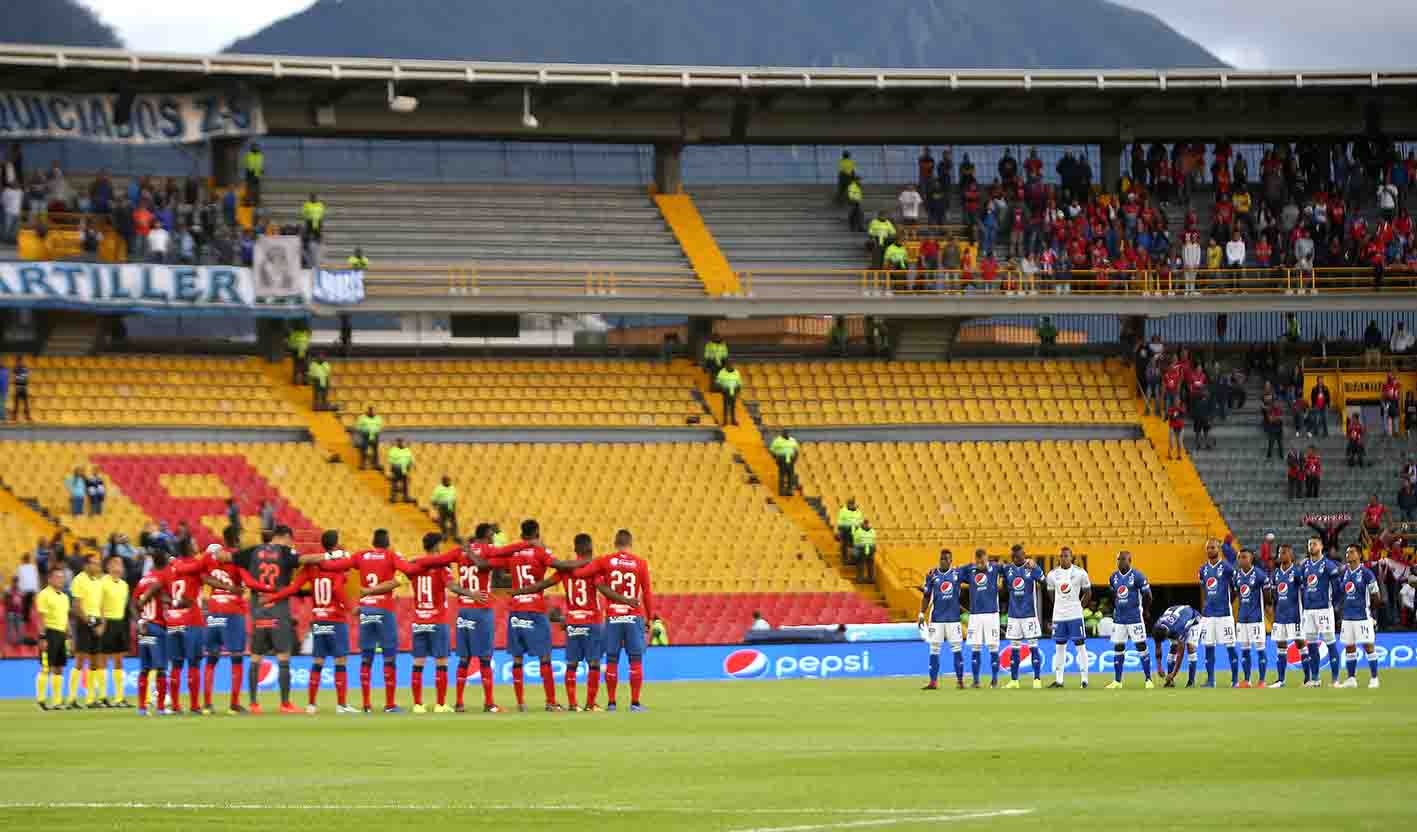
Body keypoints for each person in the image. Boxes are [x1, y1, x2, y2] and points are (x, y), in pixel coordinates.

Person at [474, 519, 588, 711]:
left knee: (517, 658)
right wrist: (584, 562)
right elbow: (560, 565)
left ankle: (520, 703)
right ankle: (551, 702)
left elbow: (489, 567)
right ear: (537, 532)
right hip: (535, 609)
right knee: (545, 657)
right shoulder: (540, 552)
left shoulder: (512, 553)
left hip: (516, 610)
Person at [262, 530, 356, 714]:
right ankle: (341, 705)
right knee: (340, 661)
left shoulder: (311, 566)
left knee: (318, 661)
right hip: (335, 619)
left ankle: (312, 704)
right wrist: (349, 606)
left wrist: (271, 598)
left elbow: (293, 588)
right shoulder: (338, 565)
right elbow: (337, 587)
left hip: (319, 619)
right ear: (336, 545)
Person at [325, 529, 413, 714]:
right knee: (389, 657)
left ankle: (366, 705)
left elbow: (334, 566)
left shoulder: (361, 555)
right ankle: (389, 704)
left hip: (366, 610)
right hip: (384, 609)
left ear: (373, 542)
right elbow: (409, 571)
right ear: (387, 543)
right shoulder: (391, 555)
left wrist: (331, 555)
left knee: (366, 658)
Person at [200, 532, 273, 714]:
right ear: (237, 540)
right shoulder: (238, 558)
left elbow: (202, 576)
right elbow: (248, 581)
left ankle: (207, 705)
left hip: (213, 610)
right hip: (232, 611)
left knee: (211, 658)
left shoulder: (211, 558)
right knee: (236, 658)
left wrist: (220, 587)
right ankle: (234, 704)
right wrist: (266, 588)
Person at [239, 525, 302, 713]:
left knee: (255, 658)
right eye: (291, 539)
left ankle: (253, 703)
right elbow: (301, 562)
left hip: (259, 612)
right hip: (279, 612)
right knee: (283, 658)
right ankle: (285, 704)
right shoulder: (286, 553)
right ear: (284, 537)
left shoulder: (252, 554)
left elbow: (235, 563)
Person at [402, 532, 463, 714]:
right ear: (436, 546)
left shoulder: (414, 565)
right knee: (441, 663)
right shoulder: (442, 567)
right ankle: (441, 704)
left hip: (419, 620)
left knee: (418, 663)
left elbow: (406, 572)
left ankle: (418, 704)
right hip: (437, 620)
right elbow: (451, 587)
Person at [450, 524, 501, 713]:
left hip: (463, 610)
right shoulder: (490, 550)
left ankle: (459, 703)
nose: (494, 538)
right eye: (493, 535)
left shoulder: (459, 553)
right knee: (485, 658)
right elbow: (489, 562)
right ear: (487, 536)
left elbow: (437, 560)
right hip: (481, 609)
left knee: (464, 658)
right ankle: (489, 703)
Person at [1105, 550, 1154, 689]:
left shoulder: (1138, 576)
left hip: (1135, 618)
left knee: (1141, 646)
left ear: (1129, 560)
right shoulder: (1113, 577)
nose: (1120, 562)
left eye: (1123, 559)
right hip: (1119, 619)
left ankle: (1148, 679)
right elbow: (1113, 595)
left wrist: (1146, 610)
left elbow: (1148, 595)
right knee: (1118, 647)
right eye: (1118, 559)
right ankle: (1117, 681)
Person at [918, 549, 967, 690]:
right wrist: (921, 614)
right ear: (939, 560)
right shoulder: (932, 575)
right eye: (942, 559)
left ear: (951, 560)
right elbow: (926, 596)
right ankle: (933, 682)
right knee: (934, 649)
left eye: (947, 559)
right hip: (937, 619)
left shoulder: (958, 574)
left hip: (953, 619)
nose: (944, 561)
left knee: (957, 649)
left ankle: (960, 680)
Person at [1297, 538, 1343, 686]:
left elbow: (1337, 589)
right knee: (1311, 645)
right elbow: (1303, 586)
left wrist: (1334, 605)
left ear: (1322, 546)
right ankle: (1315, 678)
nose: (1312, 546)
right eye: (1309, 544)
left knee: (1330, 643)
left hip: (1324, 609)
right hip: (1308, 611)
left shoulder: (1329, 565)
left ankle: (1335, 679)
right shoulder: (1304, 566)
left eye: (1315, 544)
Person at [1336, 544, 1382, 688]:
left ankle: (1374, 678)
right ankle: (1351, 679)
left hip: (1362, 616)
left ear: (1359, 555)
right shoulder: (1345, 572)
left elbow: (1376, 596)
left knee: (1368, 646)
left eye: (1352, 552)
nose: (1348, 554)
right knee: (1349, 647)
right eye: (1347, 552)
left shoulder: (1367, 573)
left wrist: (1372, 614)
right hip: (1348, 617)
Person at [957, 548, 1003, 689]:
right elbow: (954, 573)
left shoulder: (995, 568)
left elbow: (1012, 569)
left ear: (987, 559)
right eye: (977, 562)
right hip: (975, 615)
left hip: (992, 614)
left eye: (982, 562)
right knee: (975, 647)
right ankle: (976, 681)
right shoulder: (969, 569)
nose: (980, 565)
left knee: (993, 647)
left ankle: (994, 680)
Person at [1197, 539, 1239, 688]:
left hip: (1224, 615)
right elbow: (1205, 591)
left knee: (1230, 646)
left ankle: (1235, 680)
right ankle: (1210, 680)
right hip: (1209, 615)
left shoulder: (1227, 567)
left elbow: (1236, 588)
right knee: (1208, 646)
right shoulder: (1202, 570)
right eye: (1207, 548)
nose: (1210, 550)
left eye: (1212, 547)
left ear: (1218, 549)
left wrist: (1227, 602)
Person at [1046, 547, 1091, 688]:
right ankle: (1059, 680)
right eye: (1061, 556)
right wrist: (1059, 606)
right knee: (1060, 646)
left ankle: (1084, 680)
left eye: (1066, 556)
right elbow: (1051, 593)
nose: (1063, 558)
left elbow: (1088, 592)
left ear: (1071, 557)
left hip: (1075, 615)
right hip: (1058, 616)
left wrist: (1079, 607)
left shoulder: (1080, 573)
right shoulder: (1053, 575)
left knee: (1080, 645)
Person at [1002, 545, 1045, 689]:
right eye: (1022, 555)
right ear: (1015, 557)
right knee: (1014, 648)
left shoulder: (1031, 567)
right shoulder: (1008, 570)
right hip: (1014, 615)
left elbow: (1044, 582)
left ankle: (1037, 679)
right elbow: (1004, 589)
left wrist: (1036, 567)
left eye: (1025, 554)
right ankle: (1014, 680)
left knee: (1033, 647)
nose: (1025, 556)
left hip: (1029, 615)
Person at [131, 549, 169, 714]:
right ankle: (160, 707)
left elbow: (133, 603)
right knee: (160, 669)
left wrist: (139, 620)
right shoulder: (164, 578)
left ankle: (141, 707)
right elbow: (166, 599)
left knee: (144, 669)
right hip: (157, 626)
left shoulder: (143, 580)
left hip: (144, 627)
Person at [95, 555, 131, 707]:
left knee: (119, 660)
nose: (119, 566)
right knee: (102, 659)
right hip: (107, 622)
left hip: (120, 622)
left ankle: (119, 698)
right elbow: (98, 604)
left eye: (121, 563)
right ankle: (102, 697)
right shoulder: (102, 582)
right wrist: (101, 623)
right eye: (116, 563)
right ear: (108, 566)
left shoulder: (124, 585)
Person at [1231, 549, 1270, 688]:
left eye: (1244, 557)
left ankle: (1262, 680)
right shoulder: (1237, 575)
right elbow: (1235, 594)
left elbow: (1267, 596)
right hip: (1242, 619)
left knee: (1260, 649)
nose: (1241, 560)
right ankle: (1247, 680)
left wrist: (1263, 609)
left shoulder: (1259, 575)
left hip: (1256, 619)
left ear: (1251, 558)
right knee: (1245, 650)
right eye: (1239, 557)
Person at [68, 556, 103, 708]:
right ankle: (72, 699)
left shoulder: (98, 581)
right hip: (84, 623)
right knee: (80, 660)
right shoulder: (79, 580)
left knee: (95, 662)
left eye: (98, 564)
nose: (97, 567)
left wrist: (101, 624)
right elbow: (76, 606)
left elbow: (100, 605)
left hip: (96, 621)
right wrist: (90, 622)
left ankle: (90, 699)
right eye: (94, 564)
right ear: (87, 565)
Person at [34, 567, 70, 710]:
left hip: (61, 634)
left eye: (61, 577)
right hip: (49, 633)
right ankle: (41, 700)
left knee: (59, 667)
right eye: (57, 577)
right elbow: (41, 618)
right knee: (46, 667)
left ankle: (57, 701)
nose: (60, 580)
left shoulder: (65, 597)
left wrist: (69, 635)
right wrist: (42, 637)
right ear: (49, 579)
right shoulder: (44, 595)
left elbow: (66, 617)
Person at [1267, 544, 1303, 688]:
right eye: (1280, 553)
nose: (1282, 555)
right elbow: (1273, 595)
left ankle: (1308, 679)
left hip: (1294, 615)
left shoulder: (1297, 572)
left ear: (1291, 555)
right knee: (1280, 646)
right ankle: (1281, 680)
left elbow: (1303, 592)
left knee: (1300, 645)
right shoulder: (1276, 573)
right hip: (1280, 616)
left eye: (1285, 553)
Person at [1152, 604, 1202, 688]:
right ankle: (1170, 681)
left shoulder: (1178, 629)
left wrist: (1174, 674)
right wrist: (1159, 666)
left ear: (1166, 635)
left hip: (1194, 620)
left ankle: (1191, 682)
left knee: (1190, 647)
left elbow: (1180, 654)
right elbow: (1158, 647)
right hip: (1177, 615)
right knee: (1173, 647)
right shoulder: (1157, 628)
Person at [768, 429, 800, 497]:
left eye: (787, 433)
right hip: (781, 458)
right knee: (782, 475)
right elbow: (772, 450)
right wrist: (776, 458)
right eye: (784, 433)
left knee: (790, 475)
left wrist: (795, 458)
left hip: (790, 458)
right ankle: (781, 491)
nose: (786, 434)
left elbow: (797, 450)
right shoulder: (777, 440)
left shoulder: (792, 440)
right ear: (782, 434)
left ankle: (790, 490)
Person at [835, 498, 863, 566]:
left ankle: (854, 560)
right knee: (844, 545)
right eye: (849, 504)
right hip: (845, 530)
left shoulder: (858, 511)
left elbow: (860, 521)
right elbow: (840, 521)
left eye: (852, 504)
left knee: (855, 546)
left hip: (855, 530)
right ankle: (844, 560)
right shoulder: (843, 511)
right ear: (847, 504)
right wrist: (839, 530)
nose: (851, 505)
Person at [715, 361, 741, 426]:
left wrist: (738, 389)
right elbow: (717, 382)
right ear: (726, 366)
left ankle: (733, 420)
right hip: (725, 391)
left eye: (731, 365)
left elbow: (739, 382)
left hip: (733, 391)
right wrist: (722, 388)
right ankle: (725, 421)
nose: (730, 366)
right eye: (729, 365)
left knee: (733, 407)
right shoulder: (722, 372)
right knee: (726, 407)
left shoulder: (736, 372)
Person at [387, 439, 413, 503]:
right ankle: (393, 497)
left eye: (402, 442)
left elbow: (410, 460)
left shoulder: (407, 450)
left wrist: (408, 467)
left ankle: (405, 497)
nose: (401, 443)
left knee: (405, 483)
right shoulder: (393, 450)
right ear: (397, 443)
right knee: (395, 482)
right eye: (399, 442)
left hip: (405, 468)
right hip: (397, 468)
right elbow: (391, 460)